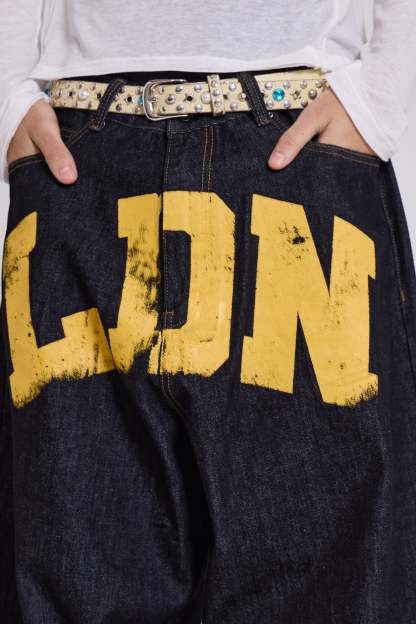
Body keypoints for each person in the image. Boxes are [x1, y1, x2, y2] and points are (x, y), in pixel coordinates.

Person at [1, 1, 416, 622]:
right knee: (70, 572)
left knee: (333, 584)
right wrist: (7, 97)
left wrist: (383, 91)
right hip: (78, 161)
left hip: (297, 155)